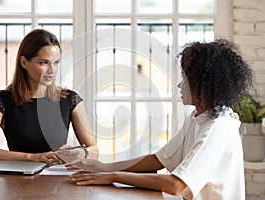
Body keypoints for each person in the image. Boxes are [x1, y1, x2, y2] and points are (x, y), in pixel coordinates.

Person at [66, 39, 252, 200]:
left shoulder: (218, 128)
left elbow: (176, 184)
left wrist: (113, 176)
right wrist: (104, 168)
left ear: (204, 86)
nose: (179, 85)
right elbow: (159, 160)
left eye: (185, 79)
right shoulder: (199, 116)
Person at [0, 29, 98, 165]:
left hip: (57, 180)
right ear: (24, 63)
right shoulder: (1, 101)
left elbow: (94, 150)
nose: (52, 70)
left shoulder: (70, 100)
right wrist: (32, 157)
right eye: (44, 63)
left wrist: (82, 153)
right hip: (17, 181)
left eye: (56, 62)